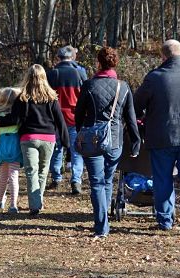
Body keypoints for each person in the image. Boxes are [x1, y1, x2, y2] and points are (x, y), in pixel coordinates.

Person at [134, 39, 180, 235]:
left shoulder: (155, 77)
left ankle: (165, 220)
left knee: (163, 178)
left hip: (162, 137)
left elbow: (136, 104)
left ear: (163, 56)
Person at [75, 47, 141, 238]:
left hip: (93, 140)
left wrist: (81, 133)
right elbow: (131, 118)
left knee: (96, 182)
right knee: (107, 180)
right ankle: (103, 223)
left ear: (98, 63)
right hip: (114, 141)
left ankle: (101, 227)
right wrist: (136, 143)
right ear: (115, 63)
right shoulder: (124, 86)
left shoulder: (88, 85)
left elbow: (78, 114)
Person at [11, 64, 69, 215]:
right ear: (44, 78)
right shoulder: (52, 98)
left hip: (29, 138)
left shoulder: (22, 98)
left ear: (28, 78)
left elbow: (14, 119)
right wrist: (65, 141)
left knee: (31, 172)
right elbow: (60, 121)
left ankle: (35, 205)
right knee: (43, 172)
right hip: (48, 138)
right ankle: (37, 202)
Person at [47, 45, 87, 195]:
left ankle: (56, 178)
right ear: (72, 57)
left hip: (56, 118)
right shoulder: (80, 72)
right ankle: (76, 180)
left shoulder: (52, 74)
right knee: (77, 151)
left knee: (57, 149)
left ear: (59, 57)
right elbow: (86, 95)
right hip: (76, 117)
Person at [0, 87, 23, 214]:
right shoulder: (17, 115)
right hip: (14, 145)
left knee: (3, 175)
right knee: (13, 175)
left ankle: (0, 200)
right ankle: (13, 204)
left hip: (0, 146)